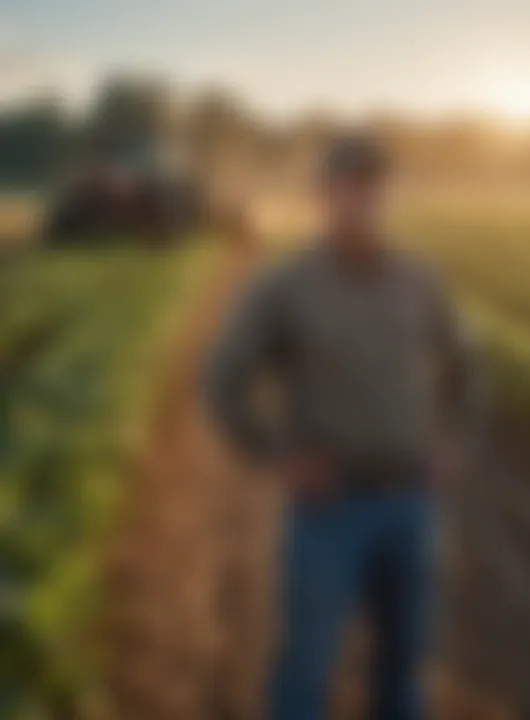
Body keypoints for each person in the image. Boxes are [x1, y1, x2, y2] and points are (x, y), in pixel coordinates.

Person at [205, 133, 481, 720]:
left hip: (412, 505)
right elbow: (222, 380)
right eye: (348, 187)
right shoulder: (285, 287)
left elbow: (465, 363)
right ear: (322, 196)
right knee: (306, 673)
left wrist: (451, 440)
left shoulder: (419, 278)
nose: (363, 200)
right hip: (329, 511)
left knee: (404, 672)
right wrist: (279, 454)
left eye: (374, 187)